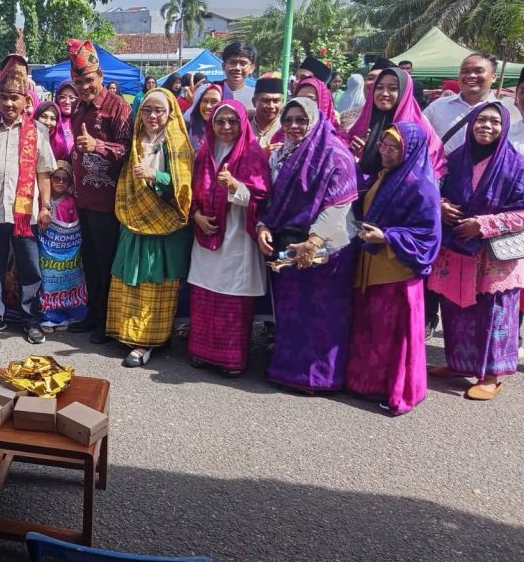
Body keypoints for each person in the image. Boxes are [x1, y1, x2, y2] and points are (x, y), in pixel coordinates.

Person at [256, 97, 359, 393]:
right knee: (291, 312)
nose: (293, 126)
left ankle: (321, 377)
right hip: (287, 244)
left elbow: (339, 204)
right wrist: (263, 225)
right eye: (288, 120)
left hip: (325, 248)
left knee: (321, 314)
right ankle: (287, 370)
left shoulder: (336, 155)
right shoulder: (282, 155)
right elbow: (271, 198)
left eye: (301, 119)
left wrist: (313, 242)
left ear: (315, 120)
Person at [427, 103, 524, 401]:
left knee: (493, 313)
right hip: (456, 250)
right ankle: (458, 364)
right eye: (480, 120)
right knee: (456, 310)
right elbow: (432, 186)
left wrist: (483, 224)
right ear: (470, 124)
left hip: (493, 255)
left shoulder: (516, 165)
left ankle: (492, 375)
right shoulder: (456, 159)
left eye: (494, 121)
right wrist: (440, 205)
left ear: (504, 127)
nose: (486, 126)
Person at [421, 53, 518, 336]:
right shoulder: (438, 108)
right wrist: (434, 202)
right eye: (466, 70)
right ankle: (433, 329)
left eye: (479, 71)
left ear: (493, 77)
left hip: (488, 218)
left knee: (484, 296)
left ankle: (483, 362)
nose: (471, 76)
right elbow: (421, 158)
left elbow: (510, 165)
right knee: (440, 278)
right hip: (442, 206)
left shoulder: (506, 111)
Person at [347, 122, 441, 414]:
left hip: (396, 271)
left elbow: (428, 236)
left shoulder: (420, 185)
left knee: (392, 336)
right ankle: (365, 383)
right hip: (374, 265)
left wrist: (387, 236)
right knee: (372, 329)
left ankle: (392, 387)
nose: (386, 152)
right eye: (383, 146)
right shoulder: (387, 176)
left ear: (410, 149)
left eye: (394, 147)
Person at [0, 54, 56, 343]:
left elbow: (44, 172)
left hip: (26, 214)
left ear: (25, 100)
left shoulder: (37, 130)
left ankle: (31, 319)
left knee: (30, 266)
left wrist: (45, 207)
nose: (8, 103)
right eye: (4, 97)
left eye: (14, 98)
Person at [106, 89, 193, 367]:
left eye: (159, 111)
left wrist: (156, 174)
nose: (153, 116)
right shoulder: (135, 139)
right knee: (129, 277)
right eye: (147, 110)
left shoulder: (177, 142)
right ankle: (128, 333)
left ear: (170, 114)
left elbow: (184, 188)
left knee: (155, 282)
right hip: (133, 220)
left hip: (163, 225)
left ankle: (148, 341)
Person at [188, 100, 270, 375]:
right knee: (204, 293)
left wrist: (236, 187)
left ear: (242, 123)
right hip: (206, 234)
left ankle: (230, 360)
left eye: (232, 122)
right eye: (220, 121)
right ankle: (200, 352)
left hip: (237, 238)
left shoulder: (252, 153)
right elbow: (191, 192)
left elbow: (263, 197)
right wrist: (196, 215)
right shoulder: (203, 153)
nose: (225, 127)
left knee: (231, 298)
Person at [64, 39, 133, 343]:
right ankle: (93, 314)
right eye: (78, 82)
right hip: (84, 200)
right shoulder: (78, 107)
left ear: (101, 77)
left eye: (88, 80)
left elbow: (130, 152)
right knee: (89, 260)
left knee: (106, 262)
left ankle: (107, 321)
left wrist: (98, 146)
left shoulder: (119, 108)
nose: (83, 87)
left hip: (109, 202)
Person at [344, 67, 445, 187]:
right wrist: (354, 154)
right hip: (363, 197)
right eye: (379, 87)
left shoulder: (419, 127)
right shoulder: (364, 122)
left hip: (401, 198)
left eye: (393, 88)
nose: (384, 93)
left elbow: (432, 168)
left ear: (404, 92)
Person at [38, 161, 87, 331]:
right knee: (47, 282)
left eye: (65, 180)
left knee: (65, 282)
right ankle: (47, 316)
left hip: (66, 251)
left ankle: (64, 315)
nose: (60, 182)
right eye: (56, 178)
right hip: (46, 251)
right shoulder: (42, 200)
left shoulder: (71, 202)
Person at [182, 82, 223, 152]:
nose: (208, 106)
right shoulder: (190, 128)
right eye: (204, 100)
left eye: (214, 101)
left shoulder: (229, 131)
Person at [251, 76, 284, 151]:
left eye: (276, 101)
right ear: (254, 102)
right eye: (265, 100)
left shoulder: (287, 130)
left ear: (282, 102)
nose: (271, 106)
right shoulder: (243, 127)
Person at [221, 41, 256, 108]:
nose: (237, 68)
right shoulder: (210, 93)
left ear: (252, 68)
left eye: (243, 63)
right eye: (232, 62)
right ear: (223, 66)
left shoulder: (256, 97)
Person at [50, 81, 77, 160]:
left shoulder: (84, 121)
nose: (67, 101)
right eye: (62, 97)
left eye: (72, 97)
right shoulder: (51, 121)